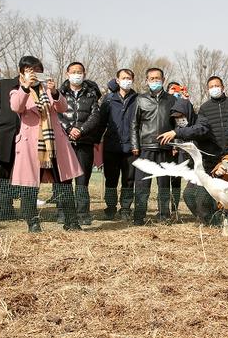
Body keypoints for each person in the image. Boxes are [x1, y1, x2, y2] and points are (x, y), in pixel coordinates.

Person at [9, 56, 83, 232]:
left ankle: (71, 221)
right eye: (29, 70)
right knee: (29, 185)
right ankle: (33, 223)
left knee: (63, 182)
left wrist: (56, 92)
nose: (34, 73)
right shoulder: (17, 90)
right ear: (22, 73)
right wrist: (26, 87)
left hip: (54, 143)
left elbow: (63, 108)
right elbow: (16, 106)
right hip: (30, 145)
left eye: (37, 70)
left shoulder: (48, 89)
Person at [157, 97, 221, 225]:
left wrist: (176, 132)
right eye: (176, 117)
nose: (179, 119)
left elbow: (198, 131)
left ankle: (214, 220)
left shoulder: (201, 120)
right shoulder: (181, 130)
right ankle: (205, 218)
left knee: (202, 196)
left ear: (189, 113)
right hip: (195, 169)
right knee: (188, 195)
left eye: (181, 116)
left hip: (210, 165)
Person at [130, 67, 176, 225]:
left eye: (158, 78)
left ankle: (164, 215)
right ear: (146, 81)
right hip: (146, 148)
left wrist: (176, 145)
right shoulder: (140, 99)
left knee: (164, 185)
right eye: (152, 78)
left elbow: (178, 124)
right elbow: (134, 124)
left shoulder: (172, 100)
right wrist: (135, 145)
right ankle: (139, 217)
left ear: (163, 80)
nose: (155, 81)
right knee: (142, 185)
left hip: (165, 148)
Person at [58, 61, 102, 225]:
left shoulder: (91, 94)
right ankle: (63, 212)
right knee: (64, 180)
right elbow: (56, 114)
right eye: (73, 71)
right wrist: (69, 129)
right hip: (65, 142)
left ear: (84, 74)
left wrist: (81, 130)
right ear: (67, 74)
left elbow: (95, 116)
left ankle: (83, 213)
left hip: (84, 142)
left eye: (80, 72)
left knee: (83, 180)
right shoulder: (60, 93)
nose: (77, 74)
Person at [99, 68, 137, 220]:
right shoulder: (108, 100)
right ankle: (110, 207)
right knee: (111, 178)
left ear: (132, 80)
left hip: (130, 147)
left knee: (128, 179)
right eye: (123, 77)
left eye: (129, 78)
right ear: (117, 80)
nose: (126, 80)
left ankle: (126, 208)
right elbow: (101, 122)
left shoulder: (137, 99)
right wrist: (96, 140)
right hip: (111, 146)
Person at [0, 70, 21, 221]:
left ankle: (13, 208)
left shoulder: (38, 89)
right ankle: (0, 210)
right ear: (22, 71)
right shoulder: (4, 84)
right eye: (29, 69)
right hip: (3, 137)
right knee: (0, 174)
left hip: (25, 139)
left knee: (18, 176)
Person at [166, 81, 193, 214]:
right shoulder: (165, 104)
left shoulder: (183, 105)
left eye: (178, 89)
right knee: (166, 178)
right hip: (167, 146)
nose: (175, 91)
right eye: (173, 89)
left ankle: (174, 207)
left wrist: (187, 101)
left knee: (177, 179)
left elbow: (187, 125)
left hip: (182, 147)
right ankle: (164, 208)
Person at [198, 76, 228, 155]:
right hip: (213, 153)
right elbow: (201, 129)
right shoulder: (204, 108)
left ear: (222, 87)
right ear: (208, 90)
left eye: (217, 86)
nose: (214, 88)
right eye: (211, 87)